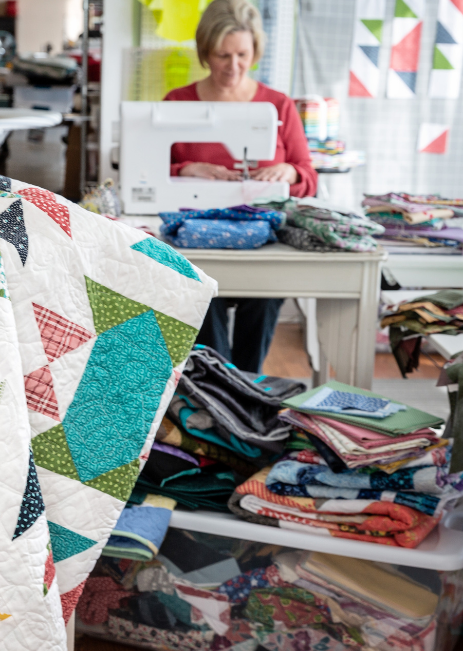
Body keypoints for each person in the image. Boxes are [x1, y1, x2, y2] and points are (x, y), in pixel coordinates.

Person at [163, 0, 317, 373]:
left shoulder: (278, 106)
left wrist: (288, 172)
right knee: (200, 294)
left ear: (255, 52)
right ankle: (221, 386)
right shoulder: (176, 103)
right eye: (222, 55)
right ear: (204, 52)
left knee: (265, 297)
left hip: (260, 242)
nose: (233, 66)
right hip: (194, 242)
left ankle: (245, 386)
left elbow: (308, 178)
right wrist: (187, 168)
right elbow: (150, 171)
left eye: (242, 55)